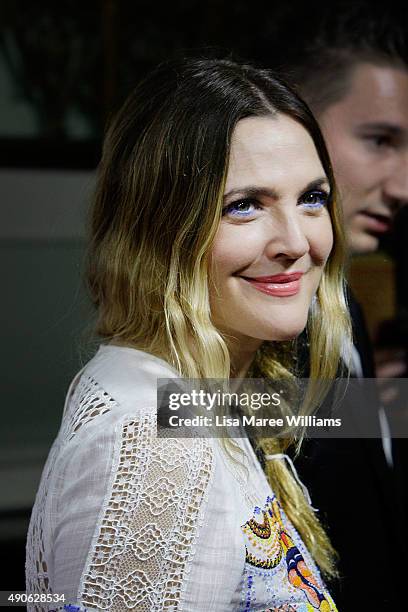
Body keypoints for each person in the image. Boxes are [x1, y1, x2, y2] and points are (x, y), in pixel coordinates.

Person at [25, 58, 351, 611]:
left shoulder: (189, 398)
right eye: (244, 206)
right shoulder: (156, 440)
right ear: (159, 230)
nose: (296, 241)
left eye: (312, 198)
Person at [274, 5, 408, 609]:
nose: (404, 185)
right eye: (380, 140)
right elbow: (178, 408)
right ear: (291, 120)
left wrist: (373, 412)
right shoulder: (259, 299)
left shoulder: (339, 287)